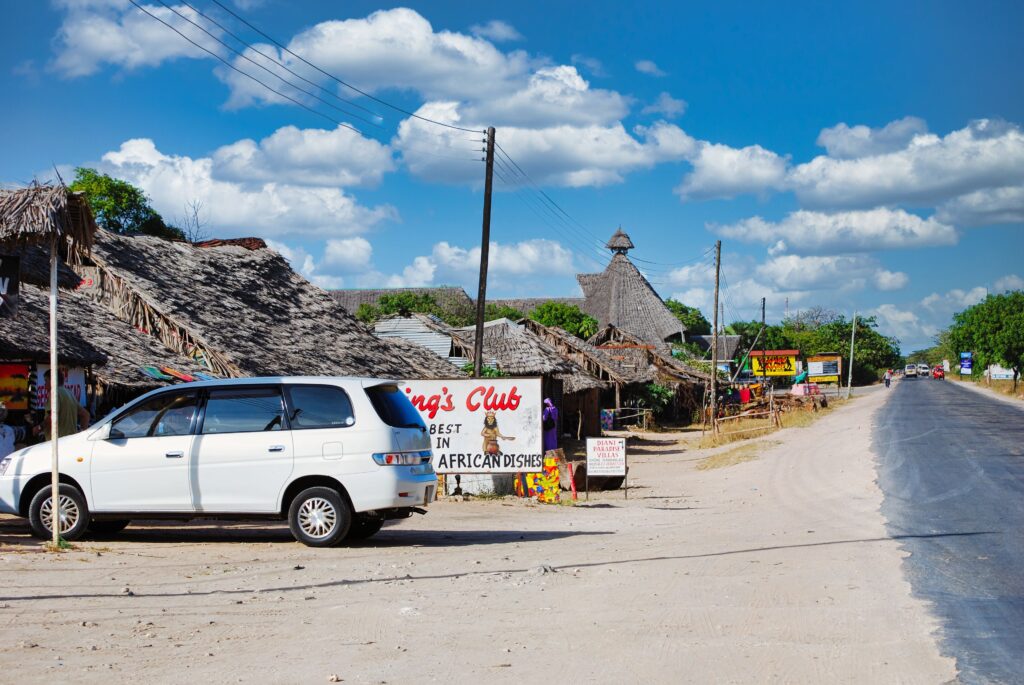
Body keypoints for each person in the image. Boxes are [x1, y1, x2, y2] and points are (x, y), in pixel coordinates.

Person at [40, 372, 90, 440]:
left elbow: (52, 417)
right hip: (70, 441)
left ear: (52, 381)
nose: (45, 384)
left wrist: (39, 428)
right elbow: (86, 415)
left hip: (57, 442)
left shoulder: (54, 393)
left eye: (46, 380)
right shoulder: (69, 393)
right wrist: (82, 435)